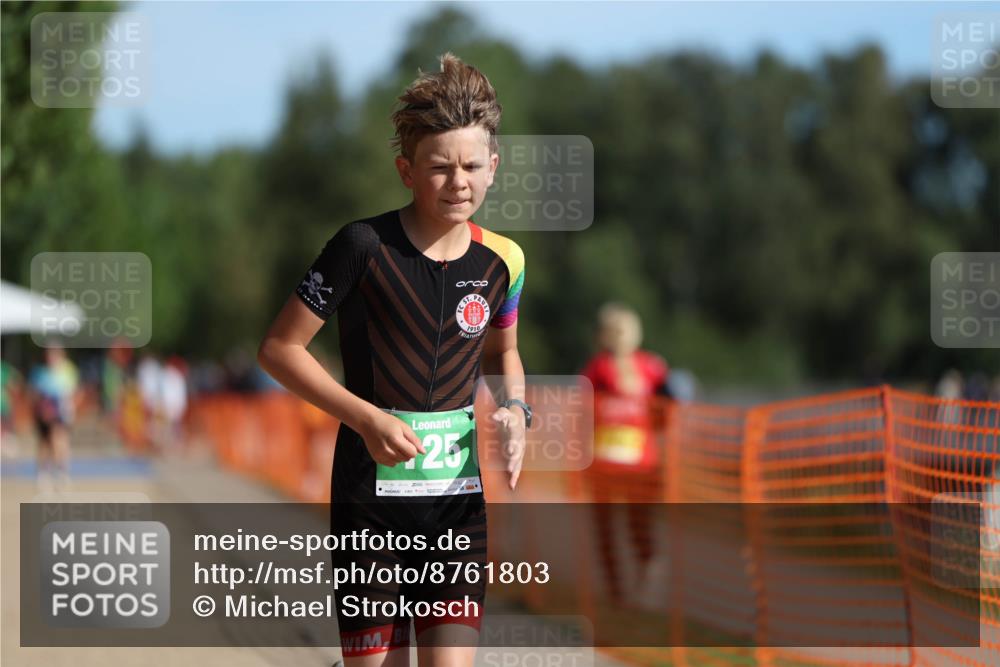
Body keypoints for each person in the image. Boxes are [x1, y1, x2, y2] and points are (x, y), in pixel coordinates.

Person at [258, 52, 528, 667]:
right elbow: (279, 349)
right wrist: (366, 418)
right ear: (406, 170)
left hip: (457, 504)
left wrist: (515, 410)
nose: (458, 182)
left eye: (471, 166)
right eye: (439, 167)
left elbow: (503, 353)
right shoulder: (362, 245)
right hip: (369, 500)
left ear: (493, 167)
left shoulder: (504, 260)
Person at [580, 302, 670, 605]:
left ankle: (646, 580)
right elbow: (581, 411)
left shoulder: (652, 368)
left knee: (639, 526)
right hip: (604, 465)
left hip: (641, 464)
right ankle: (616, 592)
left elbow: (667, 409)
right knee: (606, 530)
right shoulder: (597, 369)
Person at [28, 344, 79, 492]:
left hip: (61, 410)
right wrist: (40, 408)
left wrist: (69, 409)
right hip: (43, 410)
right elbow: (33, 393)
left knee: (60, 439)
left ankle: (62, 472)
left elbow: (74, 392)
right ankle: (43, 473)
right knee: (44, 442)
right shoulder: (39, 372)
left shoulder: (68, 370)